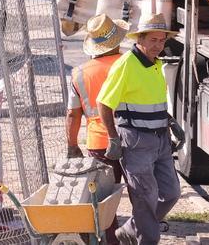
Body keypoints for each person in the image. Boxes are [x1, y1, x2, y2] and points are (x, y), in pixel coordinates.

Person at [97, 13, 184, 245]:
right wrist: (113, 138)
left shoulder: (155, 64)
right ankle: (145, 238)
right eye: (153, 40)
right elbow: (104, 103)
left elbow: (149, 100)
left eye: (162, 40)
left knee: (172, 193)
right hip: (135, 142)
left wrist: (170, 122)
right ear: (140, 40)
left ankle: (131, 228)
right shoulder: (125, 65)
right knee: (146, 199)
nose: (158, 45)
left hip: (161, 141)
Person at [66, 13, 128, 245]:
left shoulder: (79, 73)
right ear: (118, 40)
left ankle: (109, 241)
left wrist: (72, 145)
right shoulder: (129, 64)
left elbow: (73, 114)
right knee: (140, 196)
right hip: (132, 139)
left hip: (99, 145)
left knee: (103, 202)